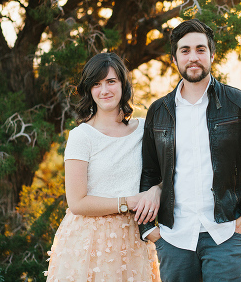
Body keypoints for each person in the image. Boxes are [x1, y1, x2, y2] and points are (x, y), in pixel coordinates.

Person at [139, 19, 241, 281]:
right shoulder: (158, 112)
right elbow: (149, 173)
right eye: (184, 50)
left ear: (211, 54)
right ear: (174, 59)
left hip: (226, 234)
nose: (193, 57)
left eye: (200, 49)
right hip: (174, 238)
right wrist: (147, 229)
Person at [45, 53, 162, 281]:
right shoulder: (82, 136)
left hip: (134, 238)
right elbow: (77, 202)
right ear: (89, 90)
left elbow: (169, 171)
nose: (104, 90)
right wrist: (129, 201)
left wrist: (156, 190)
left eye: (111, 81)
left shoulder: (145, 129)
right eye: (96, 84)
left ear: (123, 84)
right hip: (89, 241)